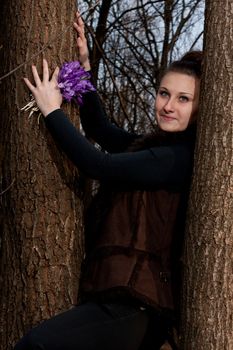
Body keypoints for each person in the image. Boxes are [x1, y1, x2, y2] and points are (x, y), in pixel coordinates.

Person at [14, 11, 202, 350]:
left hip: (135, 307)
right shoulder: (155, 150)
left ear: (200, 109)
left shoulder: (175, 158)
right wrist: (82, 69)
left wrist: (52, 111)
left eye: (183, 99)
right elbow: (103, 132)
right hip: (120, 302)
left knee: (37, 345)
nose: (168, 106)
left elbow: (97, 164)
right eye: (163, 93)